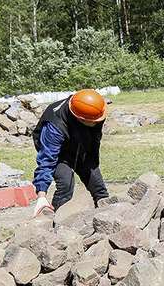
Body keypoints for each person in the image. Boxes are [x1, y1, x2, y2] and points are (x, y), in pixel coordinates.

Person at [31, 89, 110, 218]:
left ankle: (107, 219)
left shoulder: (95, 111)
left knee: (98, 187)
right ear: (80, 118)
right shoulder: (55, 126)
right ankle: (55, 223)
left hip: (82, 149)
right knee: (65, 187)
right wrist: (41, 196)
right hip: (59, 155)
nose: (98, 122)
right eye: (94, 121)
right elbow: (47, 160)